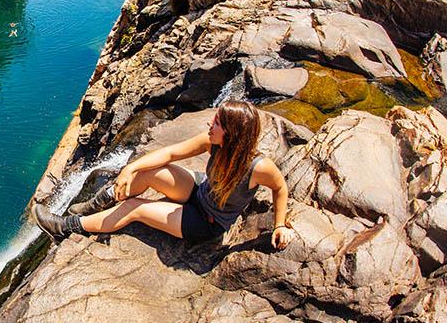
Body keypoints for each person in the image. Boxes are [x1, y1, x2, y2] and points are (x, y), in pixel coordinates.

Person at [32, 100, 295, 249]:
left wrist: (279, 224)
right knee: (150, 171)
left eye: (216, 123)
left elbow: (280, 188)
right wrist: (130, 168)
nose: (209, 125)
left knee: (134, 208)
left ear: (232, 134)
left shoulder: (258, 167)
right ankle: (93, 206)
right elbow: (169, 154)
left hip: (206, 222)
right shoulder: (212, 142)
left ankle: (64, 228)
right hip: (199, 191)